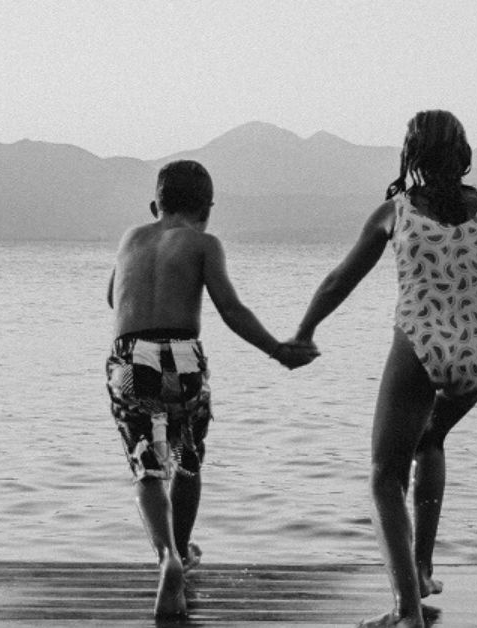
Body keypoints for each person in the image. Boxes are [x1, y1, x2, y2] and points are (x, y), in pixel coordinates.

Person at [291, 110, 477, 628]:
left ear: (412, 154)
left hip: (419, 342)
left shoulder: (396, 211)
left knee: (385, 478)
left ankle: (407, 611)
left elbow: (340, 280)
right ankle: (423, 568)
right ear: (462, 150)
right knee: (431, 441)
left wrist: (303, 333)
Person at [105, 160, 318, 618]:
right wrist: (278, 350)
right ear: (208, 209)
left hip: (130, 355)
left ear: (154, 205)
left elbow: (112, 297)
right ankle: (180, 550)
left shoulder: (131, 238)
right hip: (181, 356)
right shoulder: (204, 243)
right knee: (186, 458)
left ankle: (167, 559)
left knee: (146, 466)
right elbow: (230, 309)